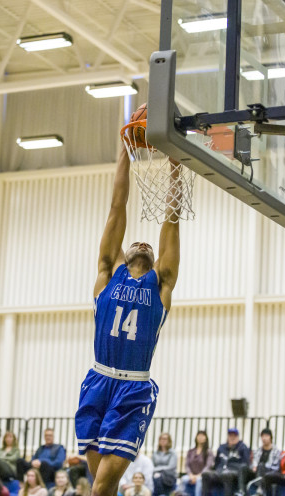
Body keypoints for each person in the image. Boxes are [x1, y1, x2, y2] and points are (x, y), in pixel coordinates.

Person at [74, 131, 182, 496]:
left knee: (103, 485)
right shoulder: (107, 272)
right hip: (98, 380)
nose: (143, 243)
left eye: (149, 246)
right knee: (102, 487)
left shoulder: (161, 283)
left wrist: (176, 166)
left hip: (135, 388)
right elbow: (116, 207)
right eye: (136, 242)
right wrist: (124, 149)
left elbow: (171, 220)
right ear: (124, 253)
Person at [201, 428, 250, 496]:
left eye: (234, 436)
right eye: (230, 435)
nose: (232, 437)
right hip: (220, 471)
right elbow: (217, 462)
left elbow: (245, 464)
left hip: (234, 472)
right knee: (206, 474)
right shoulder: (222, 447)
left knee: (226, 475)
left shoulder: (243, 447)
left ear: (238, 437)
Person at [240, 428, 281, 495]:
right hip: (257, 471)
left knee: (261, 465)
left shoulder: (276, 451)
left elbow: (275, 466)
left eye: (266, 436)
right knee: (243, 467)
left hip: (269, 471)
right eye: (262, 436)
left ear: (270, 437)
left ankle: (259, 489)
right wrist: (254, 466)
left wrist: (260, 466)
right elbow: (254, 462)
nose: (264, 438)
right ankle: (241, 491)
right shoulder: (257, 450)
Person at [179, 431, 214, 496]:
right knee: (183, 479)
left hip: (202, 476)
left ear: (206, 438)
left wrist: (199, 475)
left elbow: (208, 466)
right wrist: (190, 475)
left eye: (202, 436)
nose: (200, 437)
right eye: (199, 435)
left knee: (199, 481)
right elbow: (187, 465)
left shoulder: (208, 452)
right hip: (191, 476)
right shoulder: (191, 451)